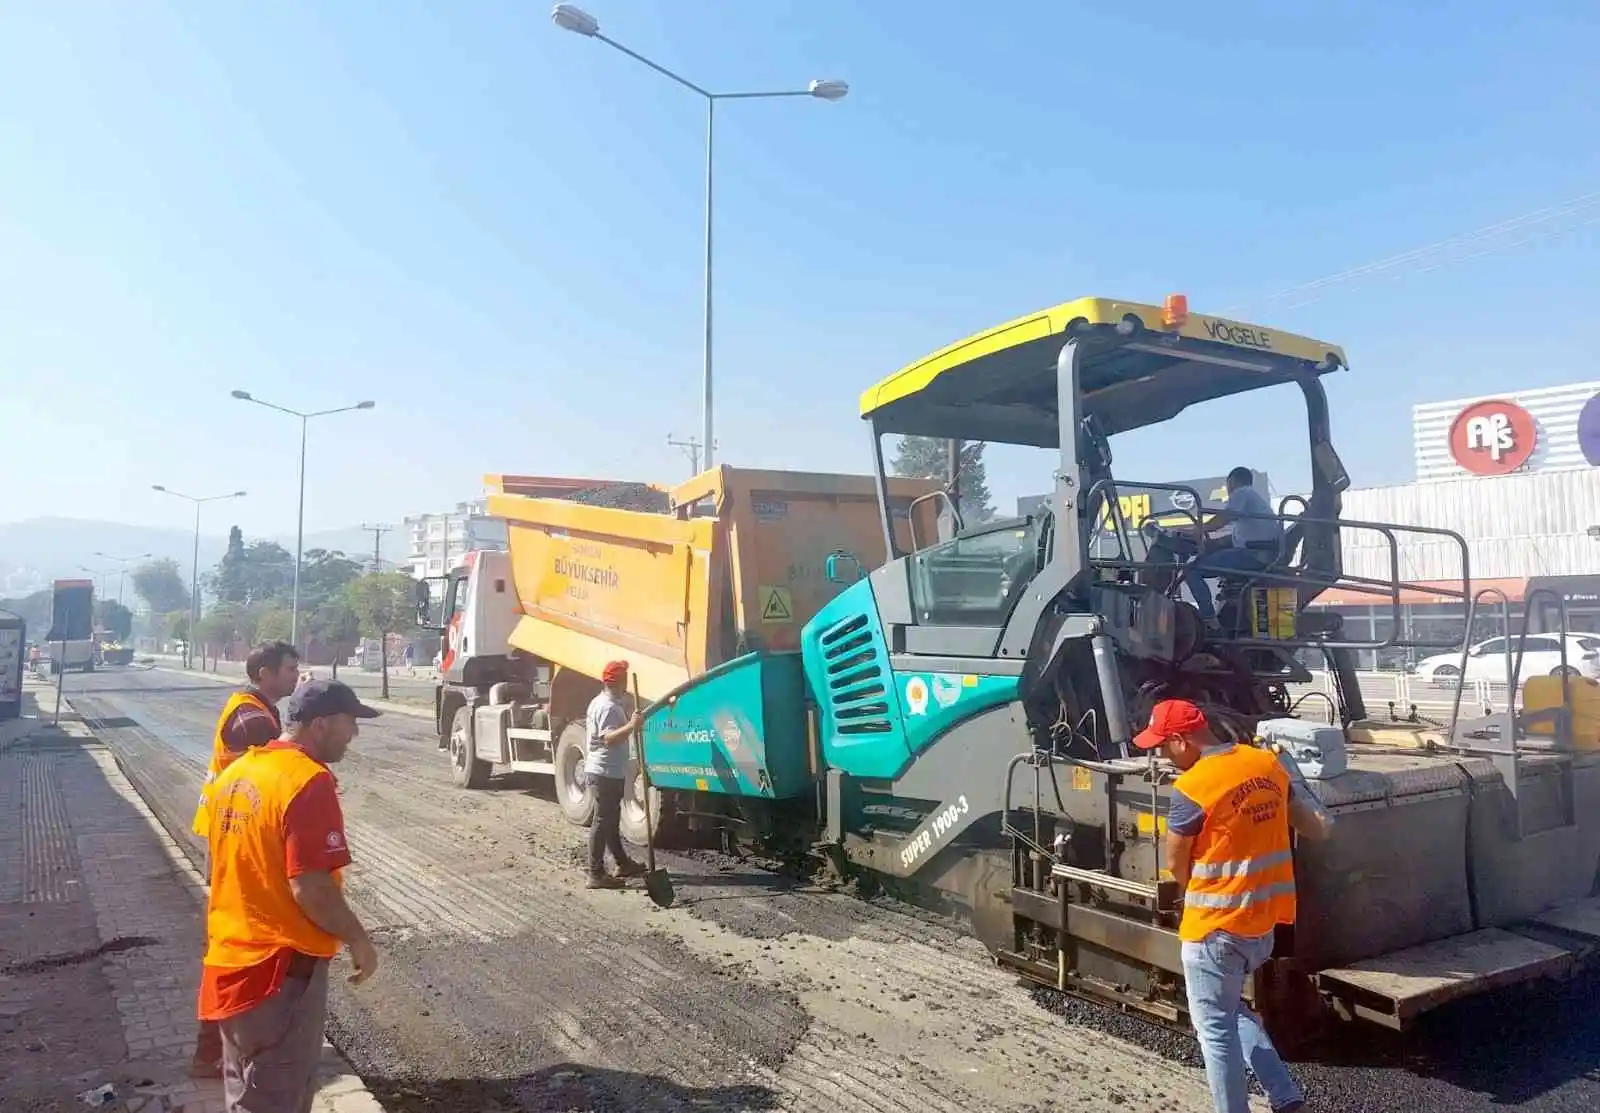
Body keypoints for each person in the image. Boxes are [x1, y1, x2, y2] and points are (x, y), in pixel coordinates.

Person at [1133, 698, 1333, 1113]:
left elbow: (1175, 861)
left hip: (1214, 930)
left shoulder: (1193, 787)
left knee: (1214, 1030)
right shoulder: (1265, 764)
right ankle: (1285, 1096)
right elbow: (1313, 827)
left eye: (1162, 746)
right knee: (1230, 1009)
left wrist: (1194, 892)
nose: (1162, 756)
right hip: (1262, 925)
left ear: (1181, 740)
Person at [199, 679, 380, 1113]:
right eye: (349, 722)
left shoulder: (236, 775)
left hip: (229, 965)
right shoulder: (307, 781)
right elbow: (312, 888)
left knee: (242, 1091)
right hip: (280, 974)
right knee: (277, 1098)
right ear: (320, 724)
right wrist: (359, 940)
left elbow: (214, 867)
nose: (354, 733)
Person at [189, 640, 303, 1078]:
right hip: (235, 839)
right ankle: (214, 1050)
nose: (296, 675)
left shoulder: (255, 708)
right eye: (289, 669)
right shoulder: (251, 717)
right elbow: (276, 764)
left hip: (234, 831)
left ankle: (225, 1044)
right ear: (263, 674)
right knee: (237, 941)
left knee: (239, 939)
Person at [1181, 467, 1281, 628]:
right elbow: (1237, 538)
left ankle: (1209, 620)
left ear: (1232, 482)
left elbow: (1225, 517)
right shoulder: (1252, 499)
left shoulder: (1242, 493)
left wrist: (1198, 530)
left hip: (1252, 555)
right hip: (1257, 553)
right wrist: (1213, 544)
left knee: (1191, 570)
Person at [585, 660, 647, 890]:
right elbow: (608, 739)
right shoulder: (608, 707)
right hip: (605, 772)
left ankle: (622, 863)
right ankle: (595, 874)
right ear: (621, 682)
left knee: (610, 821)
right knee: (602, 822)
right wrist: (632, 726)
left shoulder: (602, 702)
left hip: (607, 771)